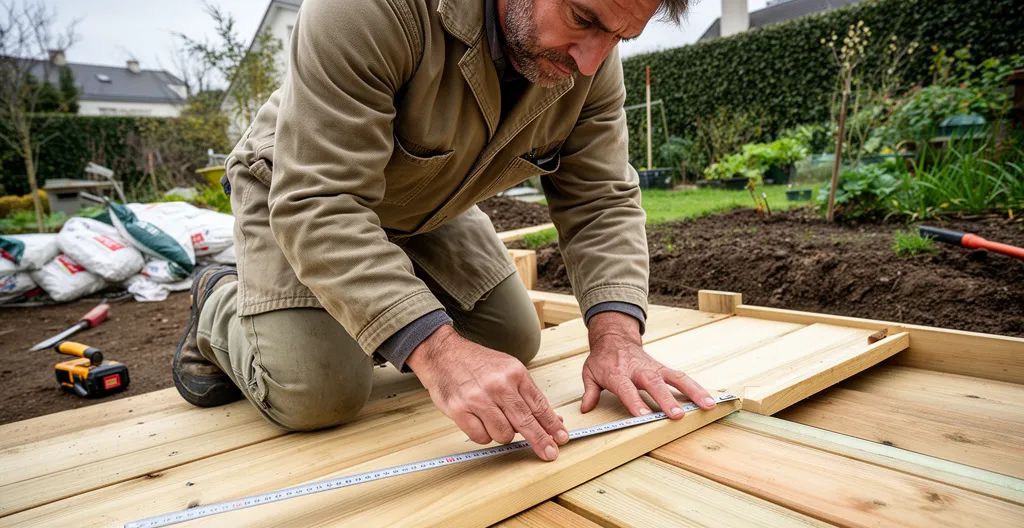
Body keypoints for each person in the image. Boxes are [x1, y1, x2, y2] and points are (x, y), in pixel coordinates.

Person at [174, 0, 716, 463]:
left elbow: (600, 199)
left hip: (429, 198)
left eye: (620, 36)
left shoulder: (592, 55)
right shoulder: (372, 10)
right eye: (582, 19)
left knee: (511, 339)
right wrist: (437, 352)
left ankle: (362, 306)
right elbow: (320, 200)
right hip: (302, 189)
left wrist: (618, 338)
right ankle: (218, 299)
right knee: (318, 393)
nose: (591, 59)